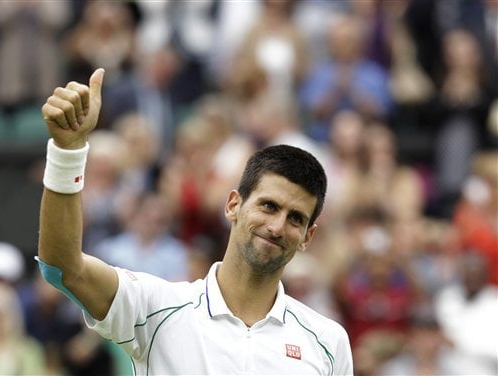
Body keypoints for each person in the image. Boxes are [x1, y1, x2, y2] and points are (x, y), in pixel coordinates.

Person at [37, 69, 353, 375]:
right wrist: (68, 150)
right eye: (268, 206)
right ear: (233, 206)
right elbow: (62, 267)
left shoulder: (328, 341)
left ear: (308, 237)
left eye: (295, 218)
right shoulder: (155, 308)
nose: (277, 226)